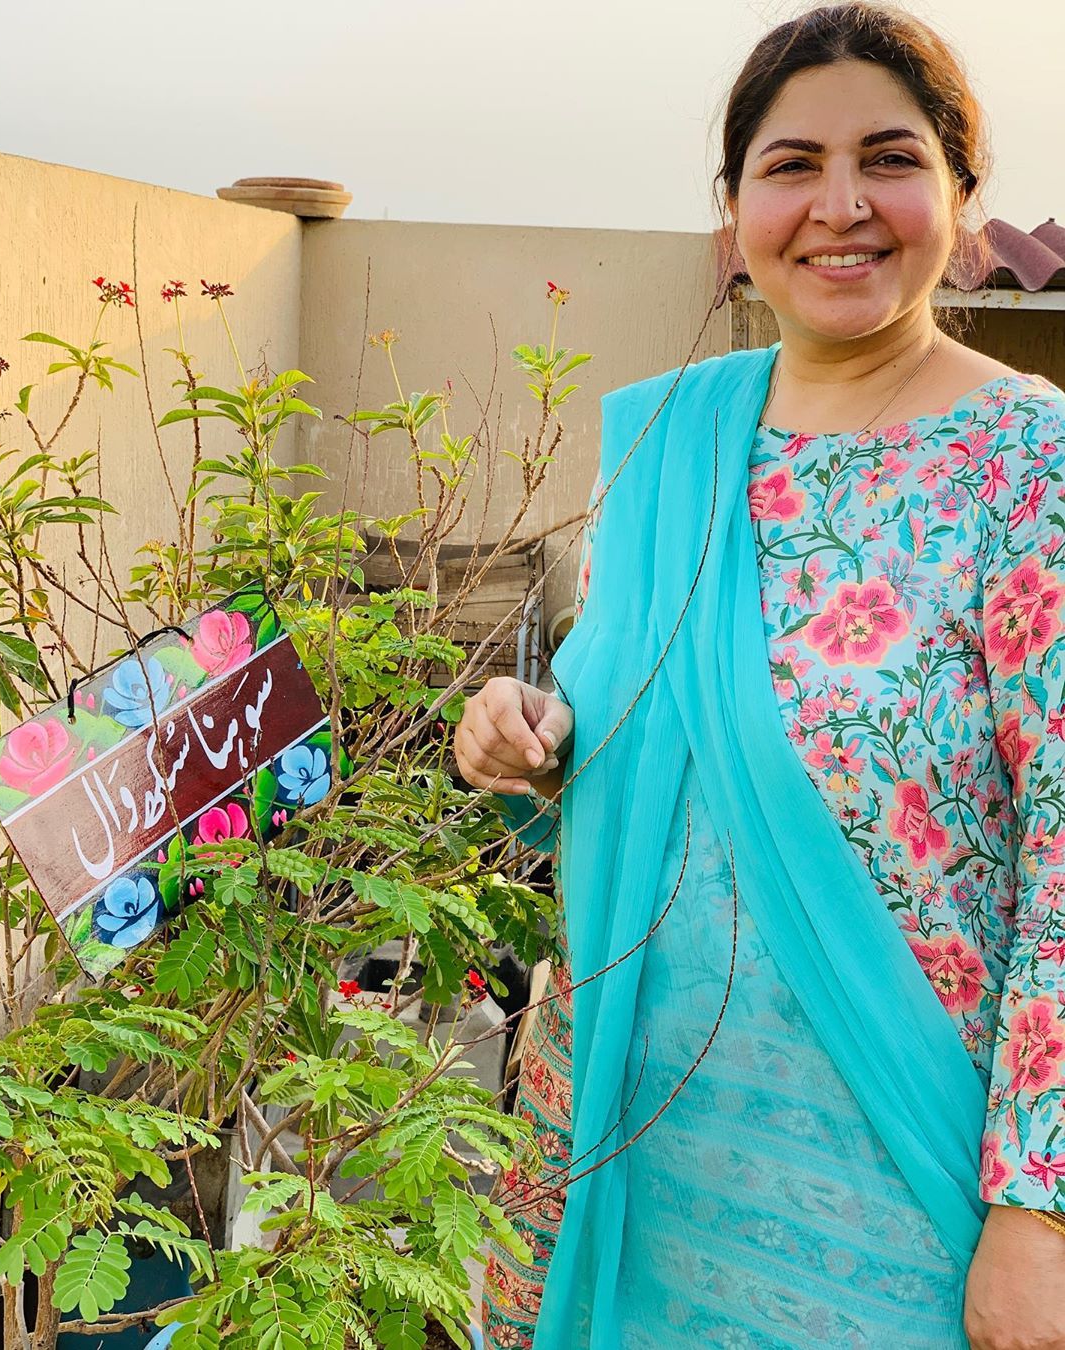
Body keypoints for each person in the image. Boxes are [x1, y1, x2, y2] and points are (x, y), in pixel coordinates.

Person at [454, 5, 1065, 1347]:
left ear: (962, 194)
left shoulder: (1031, 464)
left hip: (903, 1171)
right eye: (791, 166)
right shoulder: (667, 443)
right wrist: (524, 743)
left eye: (888, 158)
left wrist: (1038, 1208)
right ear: (733, 211)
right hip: (626, 1139)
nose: (839, 207)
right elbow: (646, 786)